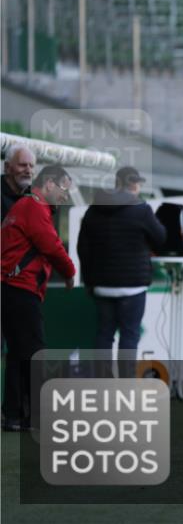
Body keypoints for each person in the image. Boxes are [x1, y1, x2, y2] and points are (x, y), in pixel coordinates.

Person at [1, 165, 76, 431]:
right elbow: (52, 246)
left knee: (18, 354)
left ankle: (14, 415)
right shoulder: (34, 208)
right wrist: (70, 272)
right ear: (49, 184)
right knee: (34, 352)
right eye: (64, 189)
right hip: (21, 289)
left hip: (10, 288)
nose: (66, 196)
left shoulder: (21, 206)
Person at [77, 167, 166, 378]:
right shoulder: (141, 209)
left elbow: (83, 249)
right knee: (130, 336)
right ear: (133, 185)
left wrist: (90, 282)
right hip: (133, 286)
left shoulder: (93, 209)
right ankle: (126, 389)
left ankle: (103, 386)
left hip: (102, 286)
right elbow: (161, 238)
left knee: (104, 334)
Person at [1, 145, 36, 220]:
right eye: (23, 165)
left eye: (31, 166)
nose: (28, 171)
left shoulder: (35, 196)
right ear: (7, 167)